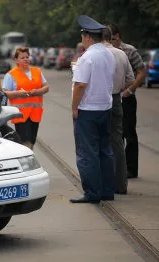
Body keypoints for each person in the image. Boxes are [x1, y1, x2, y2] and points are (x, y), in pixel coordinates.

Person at [70, 15, 116, 204]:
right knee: (105, 151)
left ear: (87, 36)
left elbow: (80, 85)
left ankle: (92, 193)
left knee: (87, 153)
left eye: (82, 36)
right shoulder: (108, 53)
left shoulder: (87, 57)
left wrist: (74, 107)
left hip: (87, 110)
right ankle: (107, 191)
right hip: (105, 108)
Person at [109, 24, 146, 179]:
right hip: (112, 97)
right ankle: (117, 168)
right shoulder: (105, 51)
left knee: (129, 133)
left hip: (128, 97)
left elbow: (141, 71)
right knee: (116, 135)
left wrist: (130, 90)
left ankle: (131, 169)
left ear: (117, 36)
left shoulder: (129, 50)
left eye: (110, 38)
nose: (108, 42)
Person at [102, 27, 135, 194]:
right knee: (117, 141)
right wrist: (120, 88)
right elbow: (131, 79)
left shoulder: (97, 54)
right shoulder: (121, 54)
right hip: (116, 99)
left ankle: (105, 182)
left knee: (100, 142)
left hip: (100, 100)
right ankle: (121, 185)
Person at [2, 47, 49, 150]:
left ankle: (28, 160)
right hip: (20, 115)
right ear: (16, 60)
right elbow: (5, 93)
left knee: (31, 141)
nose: (26, 59)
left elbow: (46, 87)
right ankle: (28, 162)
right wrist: (18, 93)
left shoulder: (37, 71)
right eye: (22, 57)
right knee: (25, 142)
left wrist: (39, 91)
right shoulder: (11, 75)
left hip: (35, 114)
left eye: (27, 57)